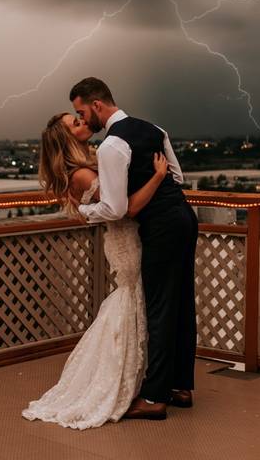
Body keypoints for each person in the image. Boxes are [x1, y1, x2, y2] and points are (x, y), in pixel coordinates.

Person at [21, 110, 169, 429]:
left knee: (136, 300)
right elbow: (125, 209)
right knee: (132, 298)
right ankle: (123, 377)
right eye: (76, 123)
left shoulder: (82, 170)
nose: (83, 122)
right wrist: (157, 177)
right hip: (126, 240)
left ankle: (142, 376)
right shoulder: (83, 176)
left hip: (123, 240)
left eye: (79, 117)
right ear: (68, 138)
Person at [71, 77, 198, 421]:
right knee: (183, 301)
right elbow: (178, 176)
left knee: (158, 307)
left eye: (82, 112)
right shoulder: (154, 128)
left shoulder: (112, 146)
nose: (83, 120)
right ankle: (181, 386)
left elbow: (114, 208)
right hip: (185, 216)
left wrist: (84, 211)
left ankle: (156, 396)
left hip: (161, 226)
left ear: (97, 105)